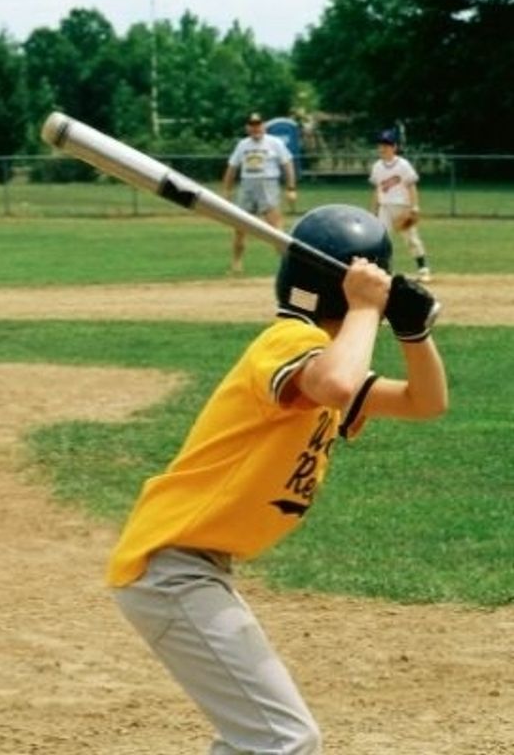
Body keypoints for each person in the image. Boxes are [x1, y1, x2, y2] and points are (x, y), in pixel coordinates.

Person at [108, 205, 447, 754]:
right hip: (171, 568)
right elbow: (337, 383)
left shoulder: (323, 364)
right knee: (283, 740)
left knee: (264, 740)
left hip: (193, 569)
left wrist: (413, 332)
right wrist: (368, 306)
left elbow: (425, 402)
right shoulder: (287, 343)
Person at [222, 112, 298, 275]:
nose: (255, 128)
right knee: (239, 225)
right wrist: (227, 189)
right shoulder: (243, 144)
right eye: (252, 125)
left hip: (268, 183)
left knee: (275, 228)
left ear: (263, 126)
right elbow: (232, 167)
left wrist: (291, 188)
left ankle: (287, 266)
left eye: (258, 124)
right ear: (247, 127)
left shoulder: (274, 143)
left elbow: (287, 164)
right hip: (247, 184)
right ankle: (236, 264)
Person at [370, 129, 432, 282]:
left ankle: (423, 269)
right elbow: (377, 190)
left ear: (394, 147)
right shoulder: (377, 166)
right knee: (381, 240)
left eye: (387, 144)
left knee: (411, 238)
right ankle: (383, 270)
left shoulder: (403, 165)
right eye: (381, 145)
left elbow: (411, 186)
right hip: (385, 207)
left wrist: (414, 207)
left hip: (402, 207)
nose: (383, 148)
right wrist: (373, 211)